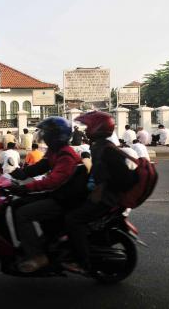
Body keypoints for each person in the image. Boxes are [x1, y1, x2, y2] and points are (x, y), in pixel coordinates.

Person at [64, 111, 138, 273]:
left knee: (73, 219)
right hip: (103, 195)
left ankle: (82, 261)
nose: (86, 130)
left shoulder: (105, 149)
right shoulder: (101, 146)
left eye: (89, 126)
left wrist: (100, 189)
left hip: (106, 199)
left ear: (97, 128)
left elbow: (110, 177)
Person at [11, 117, 83, 272]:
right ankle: (29, 243)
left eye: (47, 134)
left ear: (56, 136)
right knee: (17, 203)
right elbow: (41, 167)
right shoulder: (56, 151)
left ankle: (37, 256)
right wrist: (21, 173)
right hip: (58, 194)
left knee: (23, 213)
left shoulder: (66, 156)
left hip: (64, 199)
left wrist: (26, 188)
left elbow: (52, 181)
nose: (44, 136)